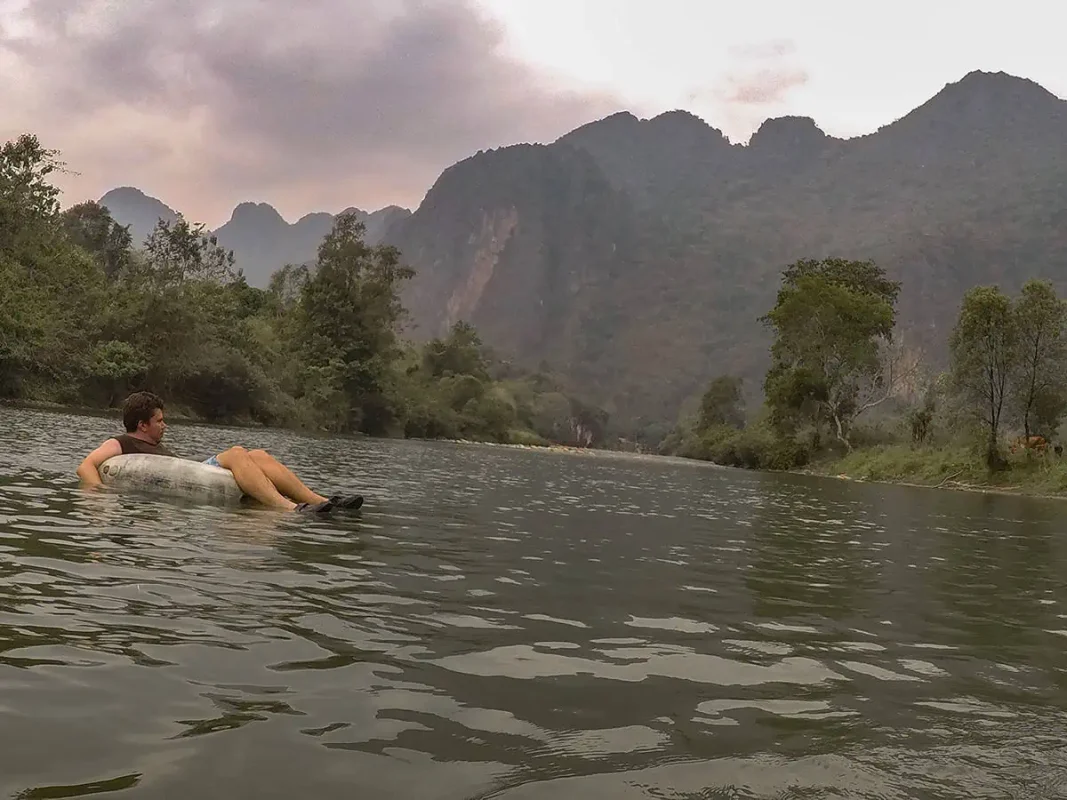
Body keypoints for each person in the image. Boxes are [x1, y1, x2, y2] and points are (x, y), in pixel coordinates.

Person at [77, 391, 362, 513]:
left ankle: (324, 502)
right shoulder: (121, 443)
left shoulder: (155, 445)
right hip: (197, 475)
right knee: (237, 452)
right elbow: (86, 466)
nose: (165, 426)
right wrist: (100, 498)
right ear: (142, 425)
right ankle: (289, 509)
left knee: (258, 455)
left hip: (194, 470)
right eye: (160, 421)